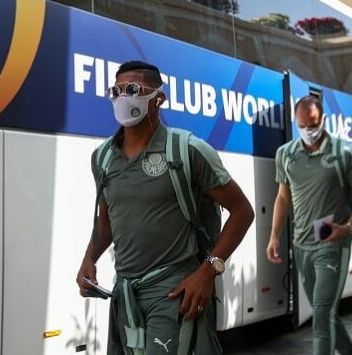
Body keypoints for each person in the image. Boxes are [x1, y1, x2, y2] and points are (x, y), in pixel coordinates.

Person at [76, 61, 255, 355]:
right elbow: (106, 218)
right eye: (116, 91)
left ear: (159, 97)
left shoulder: (187, 150)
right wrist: (89, 258)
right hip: (126, 292)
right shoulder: (103, 158)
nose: (124, 97)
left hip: (173, 290)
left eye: (133, 89)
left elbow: (242, 211)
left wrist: (208, 272)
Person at [266, 95, 352, 355]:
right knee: (323, 310)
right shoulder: (286, 154)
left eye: (313, 123)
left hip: (333, 244)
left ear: (323, 119)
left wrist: (347, 227)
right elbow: (283, 197)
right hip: (301, 245)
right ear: (296, 122)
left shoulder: (344, 153)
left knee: (323, 311)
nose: (308, 130)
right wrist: (273, 237)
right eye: (302, 125)